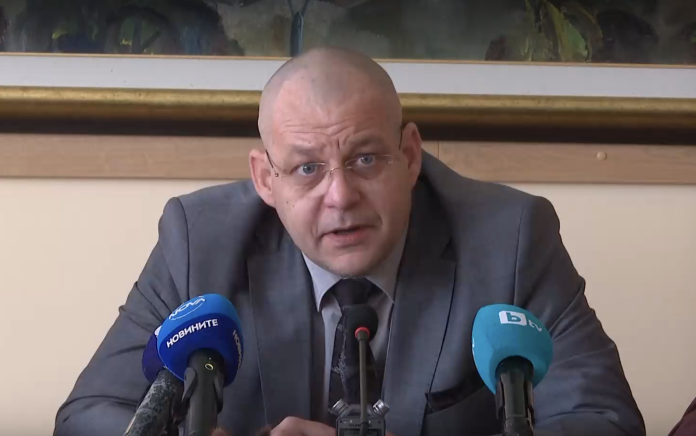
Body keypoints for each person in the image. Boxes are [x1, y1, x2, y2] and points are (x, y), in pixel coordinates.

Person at [54, 47, 645, 436]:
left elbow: (604, 420)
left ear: (409, 155)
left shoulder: (509, 238)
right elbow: (87, 417)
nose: (340, 197)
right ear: (266, 179)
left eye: (365, 159)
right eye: (307, 168)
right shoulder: (199, 240)